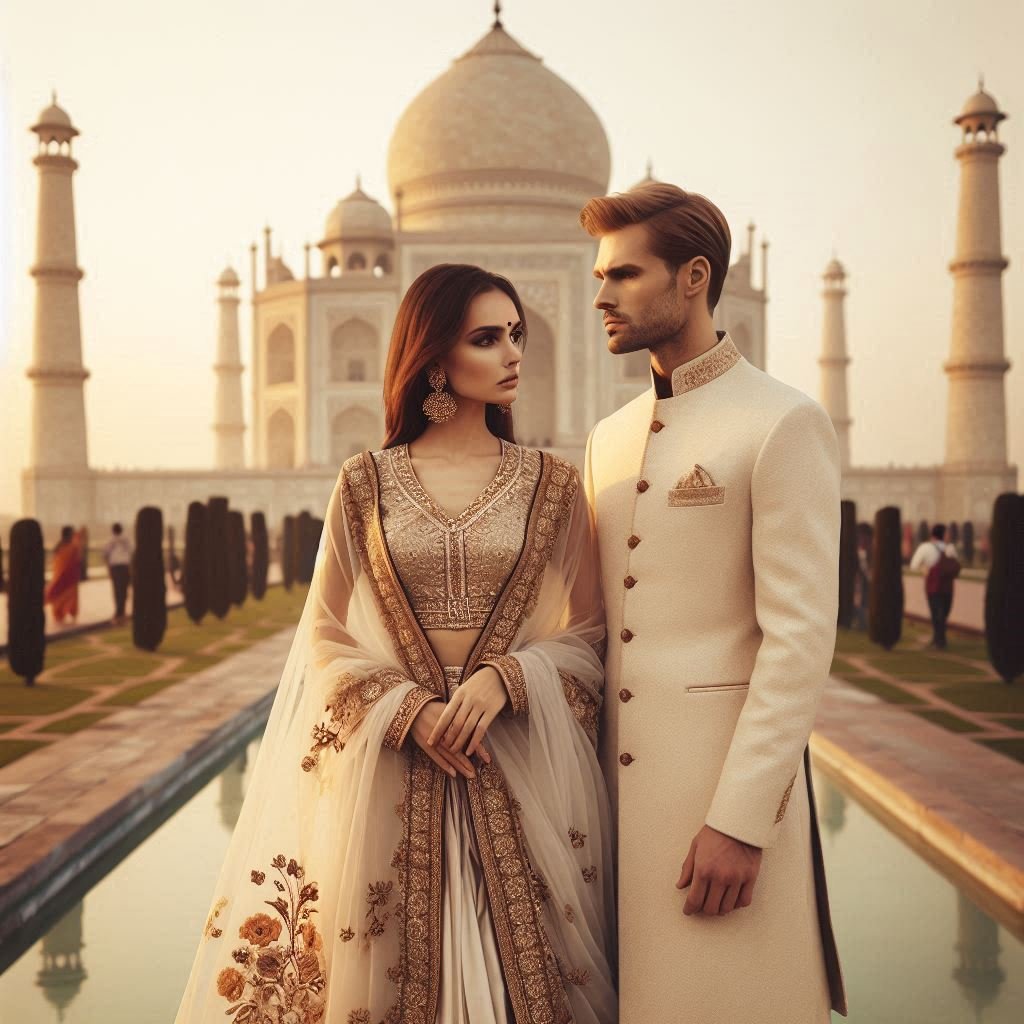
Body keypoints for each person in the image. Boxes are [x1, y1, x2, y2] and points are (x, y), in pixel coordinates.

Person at [175, 264, 616, 1024]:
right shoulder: (364, 482)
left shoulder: (553, 482)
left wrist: (504, 680)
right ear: (435, 359)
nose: (514, 352)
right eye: (487, 337)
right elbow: (323, 628)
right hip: (391, 760)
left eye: (517, 334)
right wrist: (406, 707)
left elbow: (588, 629)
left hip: (507, 753)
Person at [581, 183, 846, 1022]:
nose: (601, 295)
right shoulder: (611, 437)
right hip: (615, 814)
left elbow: (798, 641)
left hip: (717, 812)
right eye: (599, 275)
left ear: (694, 277)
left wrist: (741, 821)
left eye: (624, 273)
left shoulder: (779, 422)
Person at [910, 523, 961, 649]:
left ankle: (939, 639)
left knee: (936, 612)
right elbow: (956, 565)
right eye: (947, 532)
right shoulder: (950, 548)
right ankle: (940, 639)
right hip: (948, 586)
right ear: (943, 534)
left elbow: (914, 565)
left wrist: (925, 571)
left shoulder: (925, 547)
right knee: (944, 613)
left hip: (933, 586)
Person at [45, 525, 83, 625]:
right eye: (72, 532)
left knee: (64, 595)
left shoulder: (62, 546)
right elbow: (76, 559)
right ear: (69, 534)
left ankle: (64, 613)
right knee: (62, 594)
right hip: (65, 575)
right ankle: (63, 613)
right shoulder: (68, 546)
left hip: (65, 576)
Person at [102, 522, 133, 625]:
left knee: (117, 589)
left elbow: (105, 555)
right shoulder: (127, 540)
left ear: (113, 530)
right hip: (125, 567)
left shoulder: (110, 541)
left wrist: (108, 567)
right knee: (123, 590)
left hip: (115, 567)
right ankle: (121, 611)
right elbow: (132, 553)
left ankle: (119, 611)